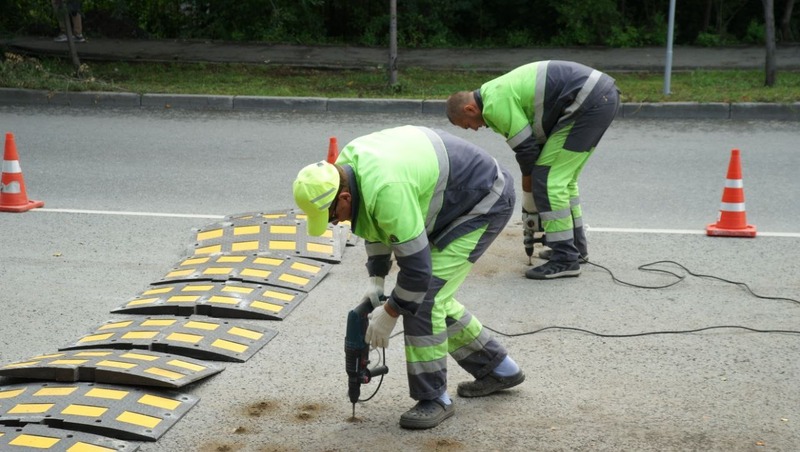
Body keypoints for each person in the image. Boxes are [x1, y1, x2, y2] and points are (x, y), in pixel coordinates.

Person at [293, 125, 524, 430]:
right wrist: (376, 279)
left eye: (333, 216)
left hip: (482, 200)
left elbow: (417, 272)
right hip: (448, 200)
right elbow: (373, 222)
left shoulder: (387, 189)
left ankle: (435, 398)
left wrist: (389, 314)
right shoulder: (347, 168)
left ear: (344, 196)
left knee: (424, 299)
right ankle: (499, 369)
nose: (336, 222)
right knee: (430, 297)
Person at [446, 60, 620, 280]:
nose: (475, 128)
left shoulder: (494, 104)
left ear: (469, 109)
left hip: (588, 102)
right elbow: (534, 143)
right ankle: (573, 249)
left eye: (468, 124)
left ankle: (565, 258)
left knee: (547, 181)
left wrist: (529, 187)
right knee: (562, 181)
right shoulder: (494, 93)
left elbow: (526, 150)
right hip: (598, 97)